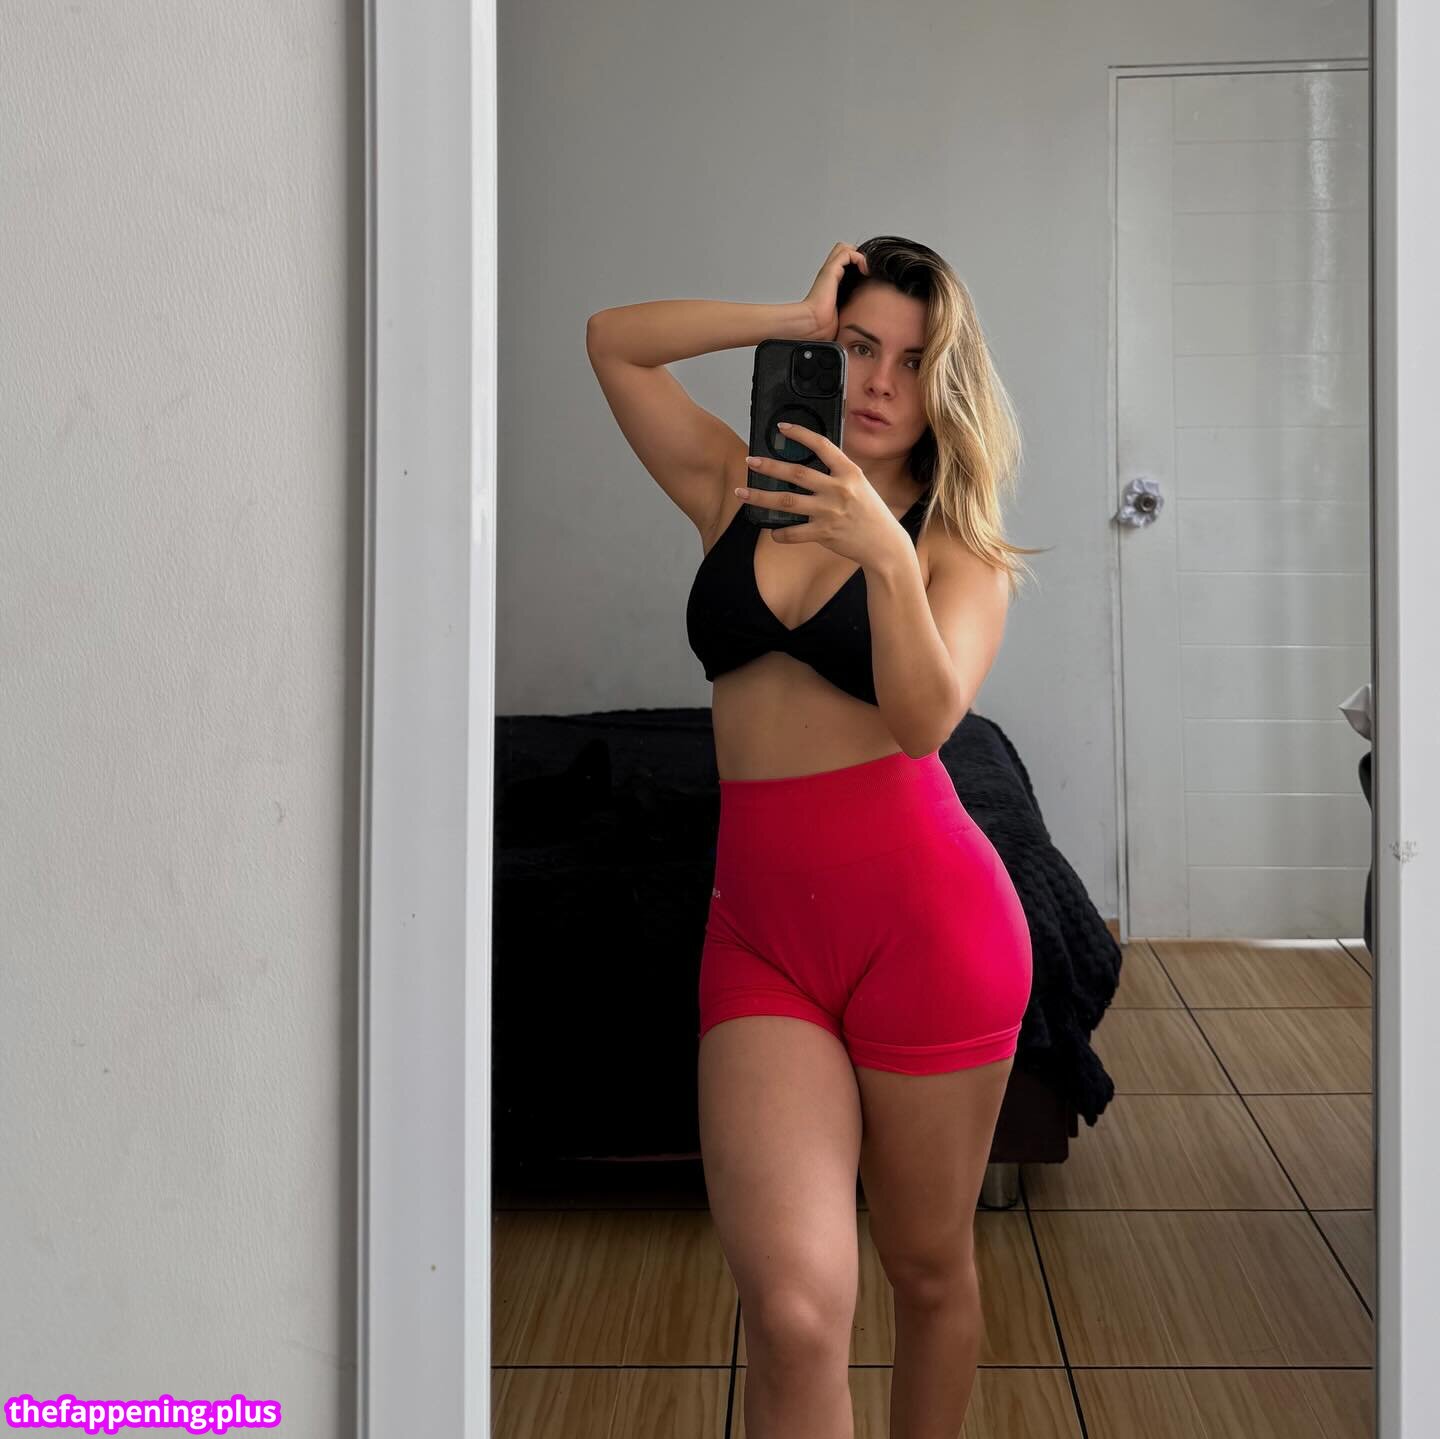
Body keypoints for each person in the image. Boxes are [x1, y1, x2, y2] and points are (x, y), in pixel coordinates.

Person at [585, 236, 1040, 1438]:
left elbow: (926, 718)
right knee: (791, 1311)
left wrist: (884, 554)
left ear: (946, 382)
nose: (879, 380)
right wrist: (786, 318)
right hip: (763, 941)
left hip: (929, 934)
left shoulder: (957, 550)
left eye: (913, 359)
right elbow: (613, 343)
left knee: (926, 1270)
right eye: (857, 346)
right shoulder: (736, 486)